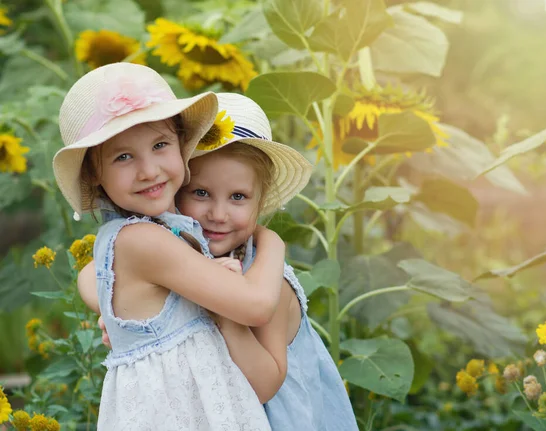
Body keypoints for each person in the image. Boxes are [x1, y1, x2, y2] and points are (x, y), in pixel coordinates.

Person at [82, 92, 359, 430]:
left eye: (238, 197)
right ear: (175, 188)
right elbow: (91, 275)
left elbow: (263, 386)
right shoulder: (175, 252)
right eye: (200, 193)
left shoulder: (271, 282)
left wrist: (223, 311)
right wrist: (121, 310)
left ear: (262, 202)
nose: (217, 214)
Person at [54, 62, 288, 430]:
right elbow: (256, 307)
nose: (149, 171)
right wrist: (271, 240)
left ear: (181, 146)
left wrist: (118, 309)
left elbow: (92, 278)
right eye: (123, 156)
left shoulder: (154, 231)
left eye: (160, 145)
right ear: (93, 174)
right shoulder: (144, 241)